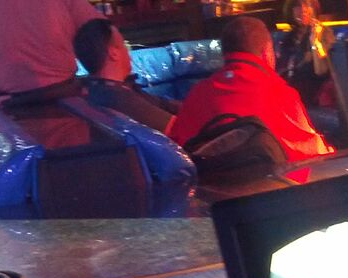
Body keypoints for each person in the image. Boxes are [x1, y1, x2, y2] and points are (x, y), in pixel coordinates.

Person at [170, 16, 333, 162]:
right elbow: (313, 153)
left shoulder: (198, 94)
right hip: (270, 184)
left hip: (210, 184)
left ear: (224, 54)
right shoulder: (280, 93)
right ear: (266, 52)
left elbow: (177, 151)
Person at [0, 0, 103, 110]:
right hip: (66, 95)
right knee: (74, 151)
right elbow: (101, 31)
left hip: (13, 104)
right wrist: (102, 82)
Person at [72, 18, 178, 135]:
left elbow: (162, 104)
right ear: (114, 53)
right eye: (124, 44)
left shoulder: (96, 90)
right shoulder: (119, 98)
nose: (128, 51)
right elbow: (178, 128)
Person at [278, 0, 332, 105]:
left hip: (315, 97)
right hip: (291, 96)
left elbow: (321, 70)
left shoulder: (323, 33)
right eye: (298, 6)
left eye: (307, 5)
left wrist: (314, 41)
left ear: (314, 9)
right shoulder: (287, 39)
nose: (303, 10)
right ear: (291, 11)